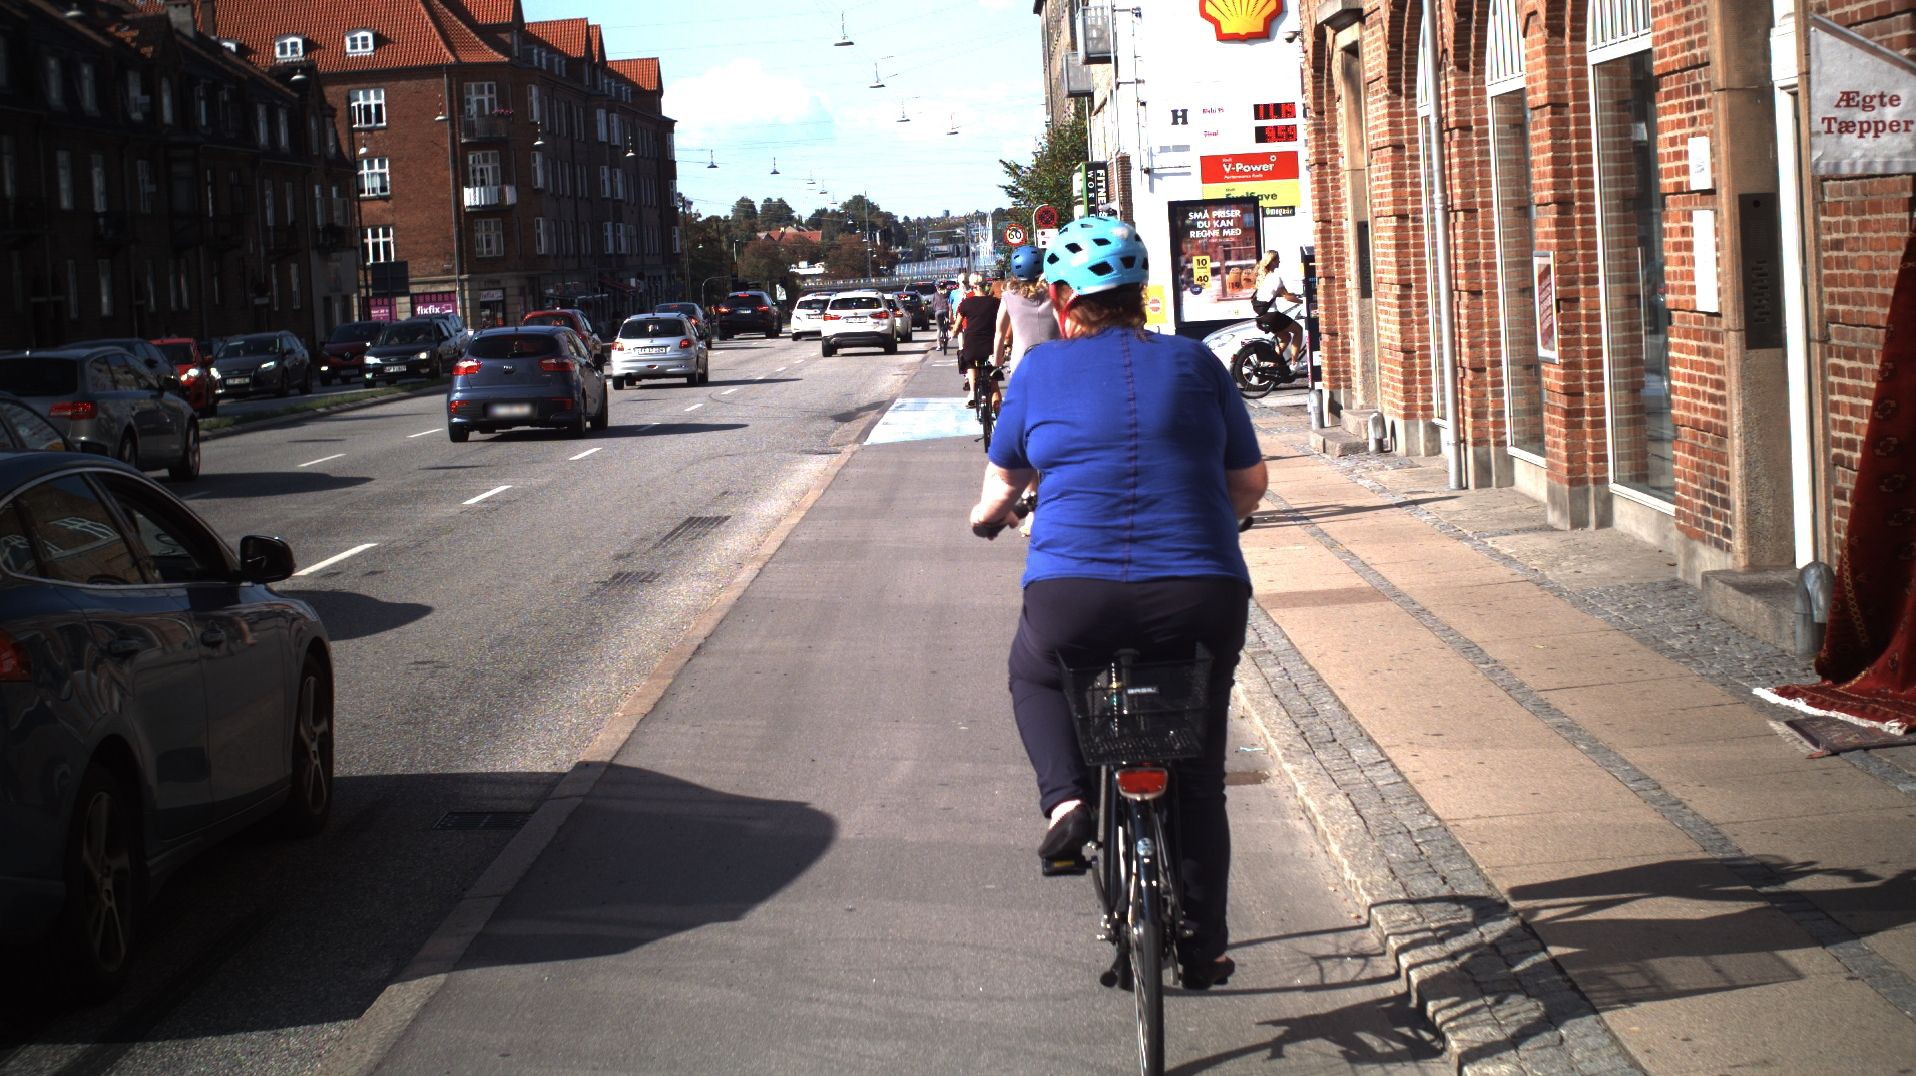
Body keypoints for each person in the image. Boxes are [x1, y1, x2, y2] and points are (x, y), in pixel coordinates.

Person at [968, 214, 1268, 991]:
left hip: (1076, 598)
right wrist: (1218, 521)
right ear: (1141, 294)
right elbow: (1249, 484)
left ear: (1064, 300)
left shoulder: (1040, 370)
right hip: (1200, 593)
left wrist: (989, 518)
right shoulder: (1197, 362)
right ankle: (1202, 950)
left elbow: (1001, 484)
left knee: (1035, 672)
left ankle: (1066, 802)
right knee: (1196, 774)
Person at [994, 245, 1059, 385]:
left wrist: (997, 361)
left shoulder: (1008, 296)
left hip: (1021, 362)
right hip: (1054, 359)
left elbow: (1000, 333)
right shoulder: (1054, 293)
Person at [1252, 250, 1307, 366]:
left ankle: (1272, 364)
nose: (1279, 261)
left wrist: (1295, 295)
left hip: (1262, 316)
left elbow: (1277, 294)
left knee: (1286, 337)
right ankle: (1294, 363)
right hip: (1272, 315)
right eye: (1278, 259)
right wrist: (1304, 301)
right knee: (1298, 330)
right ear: (1272, 261)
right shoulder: (1275, 277)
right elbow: (1287, 297)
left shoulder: (1263, 277)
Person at [953, 276, 1001, 403]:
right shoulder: (995, 302)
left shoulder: (966, 303)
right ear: (985, 285)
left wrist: (953, 333)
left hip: (972, 346)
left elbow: (957, 326)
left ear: (973, 286)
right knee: (994, 383)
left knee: (969, 361)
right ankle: (997, 407)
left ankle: (973, 392)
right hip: (991, 346)